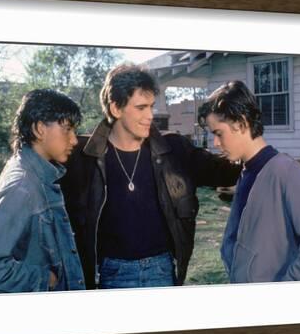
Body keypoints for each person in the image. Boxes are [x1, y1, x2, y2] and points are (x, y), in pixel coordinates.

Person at [60, 64, 241, 289]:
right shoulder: (81, 157)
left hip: (162, 270)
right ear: (116, 108)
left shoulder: (174, 149)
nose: (150, 116)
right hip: (108, 274)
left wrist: (244, 134)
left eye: (151, 107)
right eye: (141, 107)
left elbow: (227, 171)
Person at [198, 80, 300, 283]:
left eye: (218, 133)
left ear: (241, 123)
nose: (215, 143)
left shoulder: (286, 171)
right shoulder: (246, 171)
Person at [0, 89, 86, 293]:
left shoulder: (37, 174)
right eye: (67, 129)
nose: (74, 140)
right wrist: (45, 279)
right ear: (40, 129)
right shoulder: (22, 186)